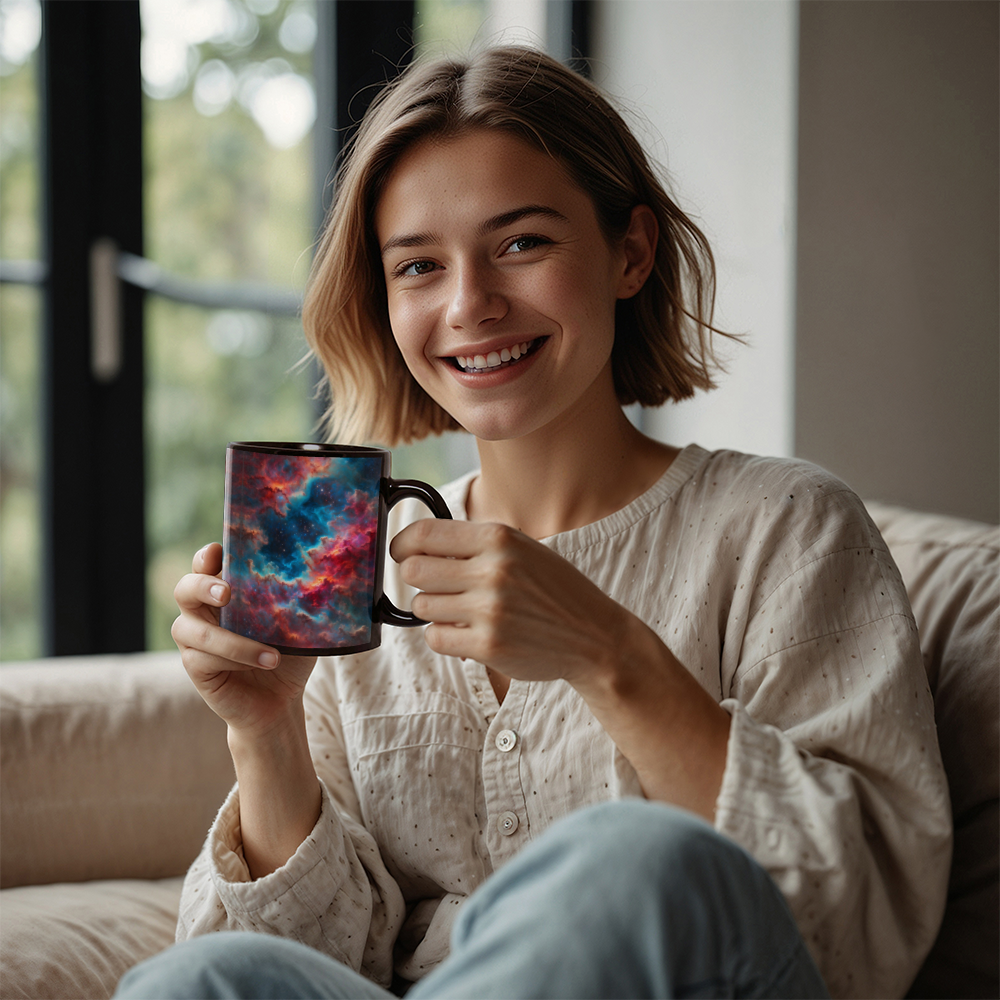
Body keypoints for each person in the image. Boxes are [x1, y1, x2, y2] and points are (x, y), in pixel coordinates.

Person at [115, 46, 951, 1000]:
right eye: (419, 266)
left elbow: (866, 923)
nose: (469, 305)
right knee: (214, 974)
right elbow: (328, 971)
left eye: (522, 244)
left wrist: (609, 655)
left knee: (637, 862)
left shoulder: (787, 529)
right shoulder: (364, 581)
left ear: (629, 253)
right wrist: (266, 736)